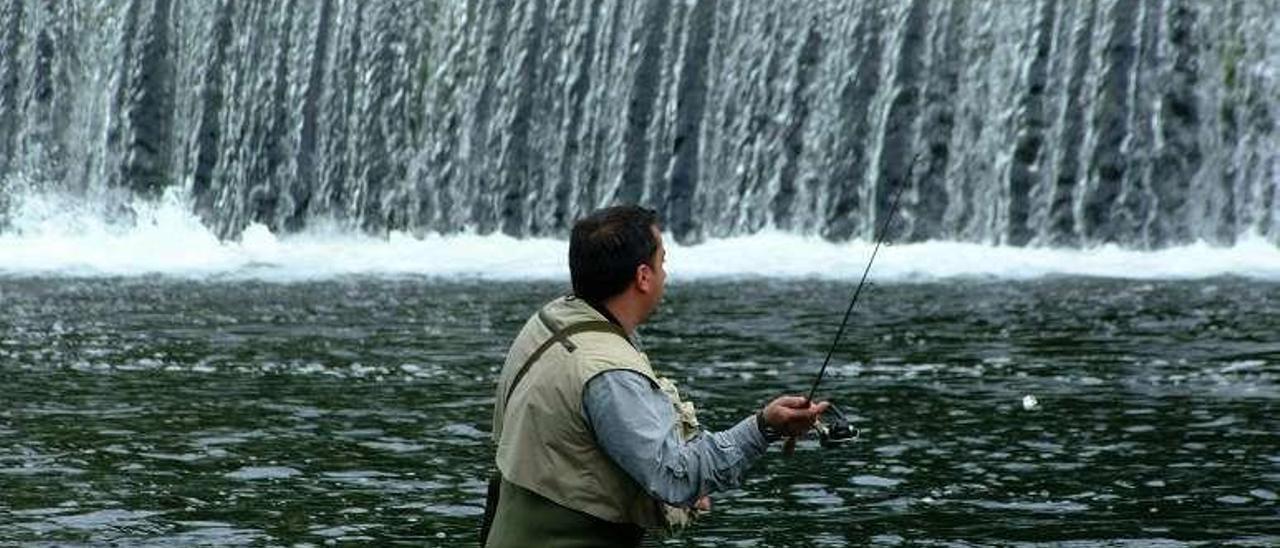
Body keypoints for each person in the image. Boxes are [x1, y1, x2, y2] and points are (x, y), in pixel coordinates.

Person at [482, 205, 829, 547]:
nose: (666, 274)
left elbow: (580, 450)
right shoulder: (610, 374)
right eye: (663, 262)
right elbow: (675, 477)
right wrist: (764, 426)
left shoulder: (550, 322)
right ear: (643, 277)